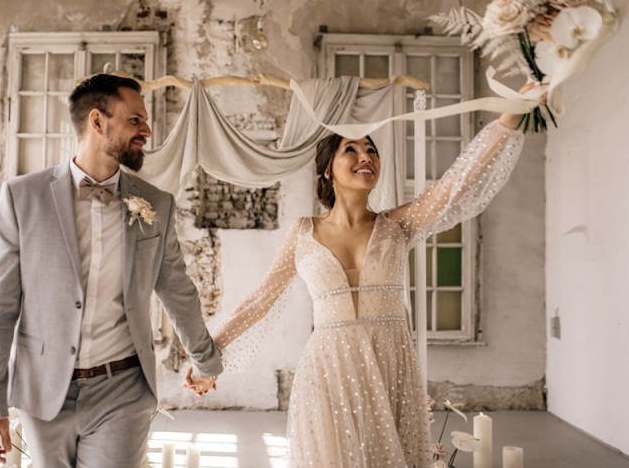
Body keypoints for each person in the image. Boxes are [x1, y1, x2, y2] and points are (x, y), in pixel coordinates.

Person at [187, 112, 524, 466]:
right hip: (328, 368)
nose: (366, 157)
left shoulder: (398, 225)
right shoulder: (303, 233)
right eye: (351, 149)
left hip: (390, 363)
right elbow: (259, 300)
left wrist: (508, 120)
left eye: (371, 150)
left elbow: (454, 186)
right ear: (328, 170)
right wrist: (206, 358)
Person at [0, 74, 222, 468]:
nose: (147, 130)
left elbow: (176, 288)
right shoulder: (23, 197)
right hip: (43, 388)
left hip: (124, 388)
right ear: (97, 122)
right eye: (135, 120)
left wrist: (205, 360)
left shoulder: (155, 203)